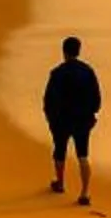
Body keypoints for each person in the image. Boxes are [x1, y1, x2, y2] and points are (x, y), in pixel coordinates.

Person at [42, 35, 102, 204]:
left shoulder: (57, 72)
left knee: (59, 151)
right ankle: (85, 193)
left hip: (61, 119)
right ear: (79, 50)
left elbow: (49, 99)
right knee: (83, 154)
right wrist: (93, 114)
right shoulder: (88, 71)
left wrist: (50, 117)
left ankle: (60, 183)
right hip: (83, 119)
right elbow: (96, 98)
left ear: (64, 51)